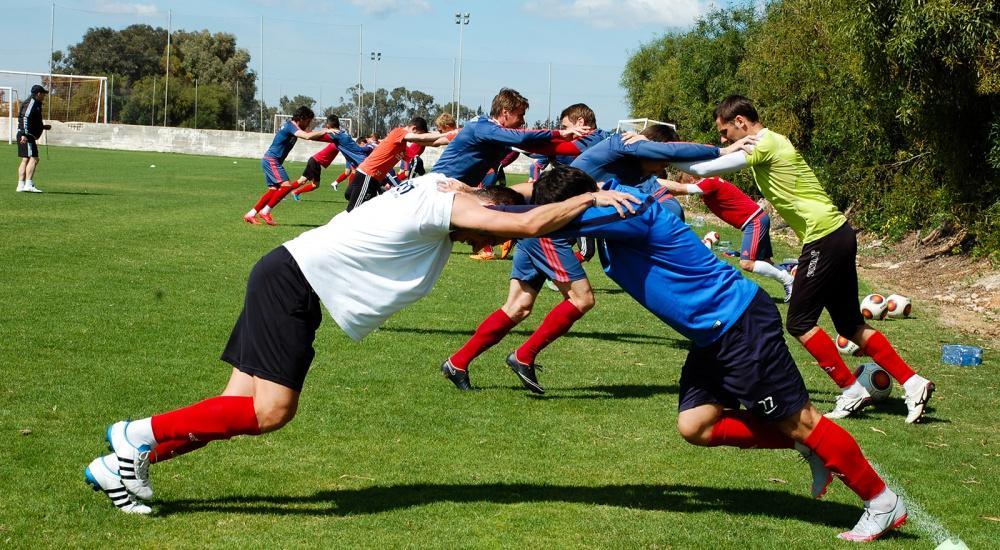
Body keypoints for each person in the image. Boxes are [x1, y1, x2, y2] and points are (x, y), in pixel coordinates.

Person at [83, 172, 640, 515]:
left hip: (285, 271)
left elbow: (523, 196)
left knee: (234, 408)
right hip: (295, 281)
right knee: (271, 410)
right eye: (481, 234)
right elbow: (529, 220)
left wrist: (585, 186)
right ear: (486, 211)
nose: (477, 242)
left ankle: (120, 464)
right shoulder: (455, 205)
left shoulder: (444, 184)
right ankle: (134, 435)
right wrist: (590, 205)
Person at [524, 166, 909, 542]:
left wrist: (470, 211)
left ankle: (880, 499)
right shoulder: (610, 205)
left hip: (738, 325)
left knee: (803, 420)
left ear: (578, 204)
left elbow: (536, 223)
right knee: (697, 425)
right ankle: (806, 445)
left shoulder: (621, 210)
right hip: (714, 336)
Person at [674, 95, 935, 423]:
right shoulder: (769, 142)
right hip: (836, 233)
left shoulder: (763, 143)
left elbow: (699, 168)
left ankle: (852, 390)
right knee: (850, 324)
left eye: (725, 131)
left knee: (798, 322)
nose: (723, 140)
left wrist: (657, 150)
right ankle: (913, 383)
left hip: (824, 237)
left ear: (741, 121)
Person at [571, 124, 754, 220]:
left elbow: (670, 206)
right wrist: (722, 151)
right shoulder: (624, 143)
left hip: (571, 211)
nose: (662, 170)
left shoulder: (635, 173)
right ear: (652, 148)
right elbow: (673, 151)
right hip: (557, 200)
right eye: (663, 163)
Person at [659, 174, 795, 301]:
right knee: (764, 260)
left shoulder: (707, 182)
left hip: (754, 221)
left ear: (691, 179)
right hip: (757, 219)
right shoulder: (711, 181)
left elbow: (681, 190)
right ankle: (793, 282)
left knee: (746, 263)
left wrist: (655, 187)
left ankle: (788, 281)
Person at [243, 106, 334, 226]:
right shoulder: (291, 126)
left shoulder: (294, 127)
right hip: (272, 160)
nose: (308, 124)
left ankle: (250, 215)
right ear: (301, 118)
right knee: (286, 186)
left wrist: (332, 138)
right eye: (308, 121)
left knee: (273, 190)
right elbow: (306, 136)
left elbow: (310, 134)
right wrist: (326, 131)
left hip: (271, 160)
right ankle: (265, 211)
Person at [343, 117, 446, 212]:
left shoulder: (402, 146)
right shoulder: (399, 132)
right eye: (418, 135)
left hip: (372, 178)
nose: (416, 139)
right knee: (354, 212)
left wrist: (449, 138)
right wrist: (444, 134)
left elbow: (428, 142)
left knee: (352, 197)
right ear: (414, 129)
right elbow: (422, 139)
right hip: (369, 175)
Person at [15, 84, 51, 193]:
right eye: (43, 94)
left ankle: (20, 185)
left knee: (25, 159)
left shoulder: (35, 103)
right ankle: (28, 184)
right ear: (38, 94)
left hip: (24, 134)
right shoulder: (31, 102)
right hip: (26, 135)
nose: (44, 96)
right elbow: (25, 118)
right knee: (35, 158)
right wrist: (25, 134)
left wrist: (43, 127)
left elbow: (32, 121)